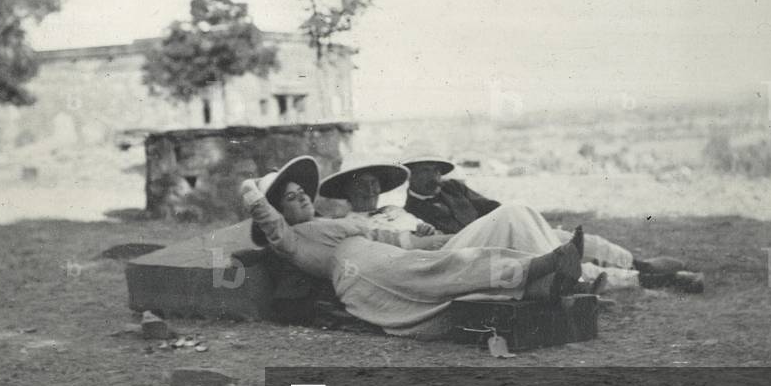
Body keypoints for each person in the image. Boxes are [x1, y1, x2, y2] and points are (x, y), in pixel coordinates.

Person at [239, 155, 588, 337]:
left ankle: (546, 279)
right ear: (279, 210)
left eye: (302, 193)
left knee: (449, 259)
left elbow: (387, 236)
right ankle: (537, 269)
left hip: (382, 256)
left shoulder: (331, 223)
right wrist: (251, 192)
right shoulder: (291, 241)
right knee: (438, 272)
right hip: (357, 273)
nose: (300, 198)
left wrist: (437, 239)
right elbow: (269, 222)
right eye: (290, 197)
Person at [402, 156, 703, 292]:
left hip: (508, 231)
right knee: (556, 255)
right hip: (492, 252)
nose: (434, 177)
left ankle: (639, 264)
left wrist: (531, 225)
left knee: (564, 236)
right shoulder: (411, 212)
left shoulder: (454, 188)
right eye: (426, 170)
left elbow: (493, 208)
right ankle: (649, 280)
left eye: (436, 169)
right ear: (410, 175)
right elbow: (452, 248)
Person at [317, 161, 436, 234]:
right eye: (361, 185)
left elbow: (423, 228)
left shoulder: (393, 210)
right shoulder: (348, 225)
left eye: (374, 183)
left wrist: (425, 230)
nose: (370, 191)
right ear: (348, 190)